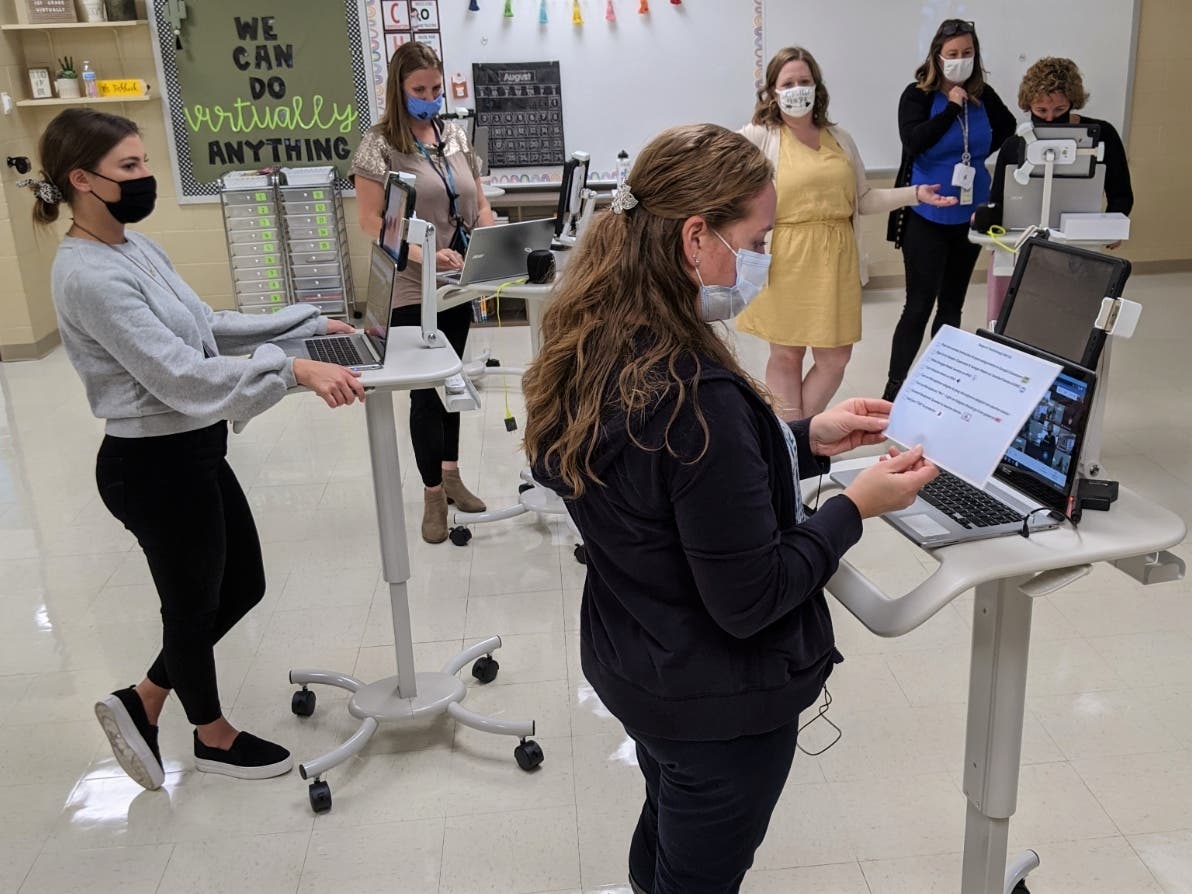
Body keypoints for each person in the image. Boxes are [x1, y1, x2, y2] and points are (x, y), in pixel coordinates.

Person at [521, 123, 938, 894]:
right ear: (694, 239)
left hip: (637, 659)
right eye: (759, 236)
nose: (767, 257)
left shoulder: (603, 340)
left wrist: (806, 436)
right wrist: (855, 505)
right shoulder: (694, 399)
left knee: (667, 829)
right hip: (712, 701)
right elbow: (750, 598)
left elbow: (672, 483)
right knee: (699, 871)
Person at [23, 108, 364, 790]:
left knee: (240, 584)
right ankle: (211, 735)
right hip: (151, 466)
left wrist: (303, 321)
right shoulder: (88, 274)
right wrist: (294, 369)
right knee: (191, 606)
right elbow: (177, 374)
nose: (146, 176)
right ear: (80, 180)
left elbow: (205, 326)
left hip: (192, 454)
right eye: (130, 167)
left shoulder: (134, 248)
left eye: (145, 162)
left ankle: (143, 701)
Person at [737, 46, 956, 420]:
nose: (797, 89)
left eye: (804, 81)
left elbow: (864, 199)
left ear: (817, 86)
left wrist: (914, 194)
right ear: (772, 91)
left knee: (835, 358)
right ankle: (797, 443)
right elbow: (722, 180)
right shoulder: (759, 136)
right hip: (784, 258)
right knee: (787, 354)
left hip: (835, 260)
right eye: (787, 83)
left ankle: (793, 437)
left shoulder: (838, 137)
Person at [349, 42, 494, 543]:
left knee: (451, 382)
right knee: (426, 394)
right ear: (398, 89)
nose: (430, 98)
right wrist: (422, 254)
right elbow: (372, 220)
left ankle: (451, 474)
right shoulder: (379, 145)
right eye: (419, 90)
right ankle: (433, 495)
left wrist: (490, 235)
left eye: (435, 88)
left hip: (458, 283)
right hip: (410, 286)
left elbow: (477, 199)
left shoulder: (452, 136)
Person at [883, 19, 1016, 400]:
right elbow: (914, 142)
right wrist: (949, 111)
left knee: (952, 306)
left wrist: (974, 158)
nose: (961, 61)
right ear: (937, 57)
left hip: (968, 217)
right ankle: (892, 392)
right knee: (918, 304)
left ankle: (938, 386)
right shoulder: (918, 95)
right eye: (953, 55)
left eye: (967, 54)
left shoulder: (984, 94)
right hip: (926, 213)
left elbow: (1008, 131)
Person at [981, 56, 1135, 320]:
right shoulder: (1014, 145)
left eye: (1059, 109)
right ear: (1027, 104)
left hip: (1080, 248)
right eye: (1041, 111)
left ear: (1072, 102)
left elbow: (1121, 193)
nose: (1050, 119)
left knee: (1073, 321)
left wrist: (1112, 225)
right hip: (1024, 247)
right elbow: (999, 203)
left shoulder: (1102, 136)